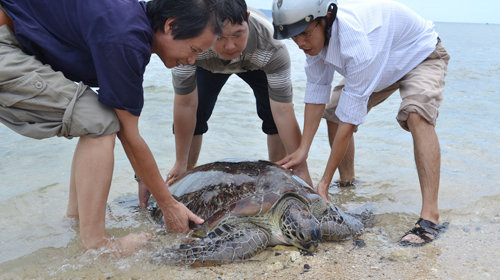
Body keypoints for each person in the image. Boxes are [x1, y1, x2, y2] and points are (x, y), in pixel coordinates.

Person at [0, 0, 219, 254]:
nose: (192, 61)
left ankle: (77, 220)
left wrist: (145, 178)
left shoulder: (128, 25)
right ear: (171, 25)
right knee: (99, 121)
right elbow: (127, 133)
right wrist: (168, 204)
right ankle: (97, 243)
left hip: (14, 43)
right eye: (193, 49)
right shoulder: (125, 35)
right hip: (6, 46)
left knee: (96, 118)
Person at [272, 0, 450, 246]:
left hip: (420, 54)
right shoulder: (315, 42)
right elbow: (316, 93)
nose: (300, 43)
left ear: (326, 19)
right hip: (383, 59)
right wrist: (303, 149)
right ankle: (348, 185)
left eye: (304, 33)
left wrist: (322, 182)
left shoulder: (355, 43)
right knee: (333, 111)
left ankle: (430, 218)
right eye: (293, 36)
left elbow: (349, 121)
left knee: (416, 114)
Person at [138, 0, 312, 202]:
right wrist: (180, 162)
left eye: (238, 35)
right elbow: (185, 104)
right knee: (198, 112)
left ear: (247, 20)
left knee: (272, 116)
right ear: (207, 27)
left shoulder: (272, 47)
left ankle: (279, 177)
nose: (230, 46)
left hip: (256, 63)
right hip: (208, 64)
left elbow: (283, 110)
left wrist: (302, 170)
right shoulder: (191, 41)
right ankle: (188, 175)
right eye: (220, 37)